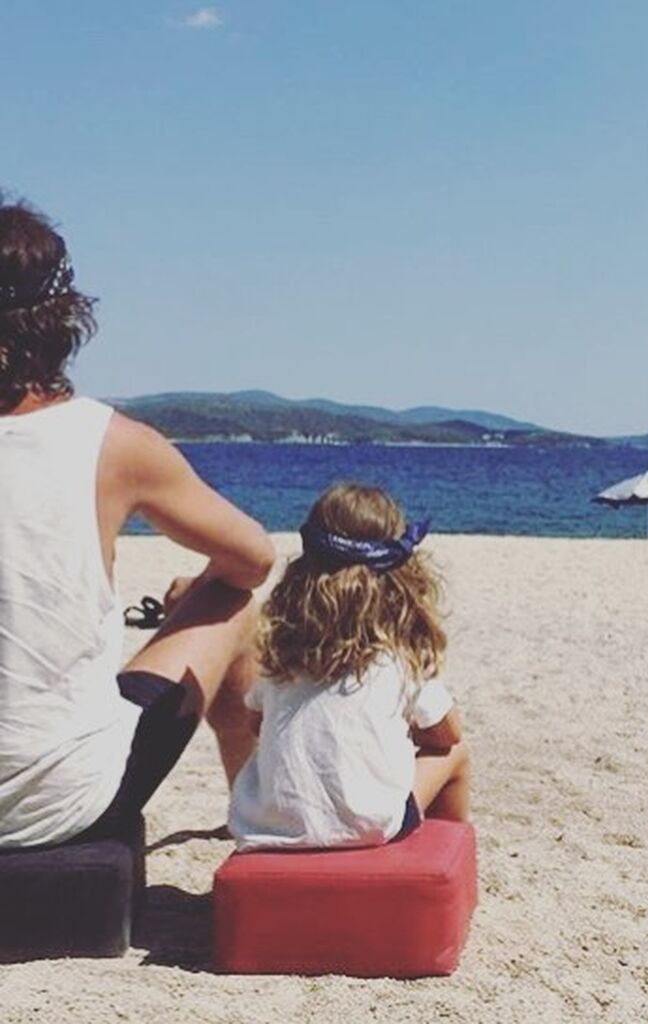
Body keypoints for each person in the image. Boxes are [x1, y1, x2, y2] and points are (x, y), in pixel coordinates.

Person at [0, 196, 276, 849]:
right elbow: (254, 558)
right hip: (59, 804)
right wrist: (193, 592)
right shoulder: (114, 445)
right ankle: (255, 814)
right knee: (232, 600)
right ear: (64, 320)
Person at [228, 482, 470, 851]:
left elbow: (256, 724)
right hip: (368, 828)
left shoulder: (281, 661)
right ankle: (446, 853)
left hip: (268, 828)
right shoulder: (398, 658)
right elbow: (448, 734)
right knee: (454, 754)